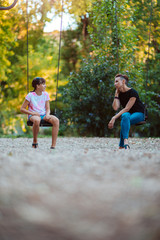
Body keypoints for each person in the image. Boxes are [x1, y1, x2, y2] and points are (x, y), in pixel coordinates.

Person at [108, 74, 145, 149]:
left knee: (125, 120)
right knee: (125, 116)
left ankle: (124, 143)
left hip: (139, 113)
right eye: (114, 82)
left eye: (117, 81)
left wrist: (113, 118)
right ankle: (123, 144)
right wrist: (116, 95)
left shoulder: (133, 92)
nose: (115, 84)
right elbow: (115, 108)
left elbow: (127, 108)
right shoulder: (119, 94)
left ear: (123, 81)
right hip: (128, 114)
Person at [21, 77, 59, 149]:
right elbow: (22, 109)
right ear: (37, 86)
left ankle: (53, 146)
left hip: (44, 114)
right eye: (43, 84)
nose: (45, 86)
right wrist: (32, 113)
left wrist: (47, 115)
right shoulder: (30, 95)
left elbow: (48, 108)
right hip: (33, 116)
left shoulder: (46, 94)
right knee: (37, 120)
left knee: (56, 120)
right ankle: (35, 141)